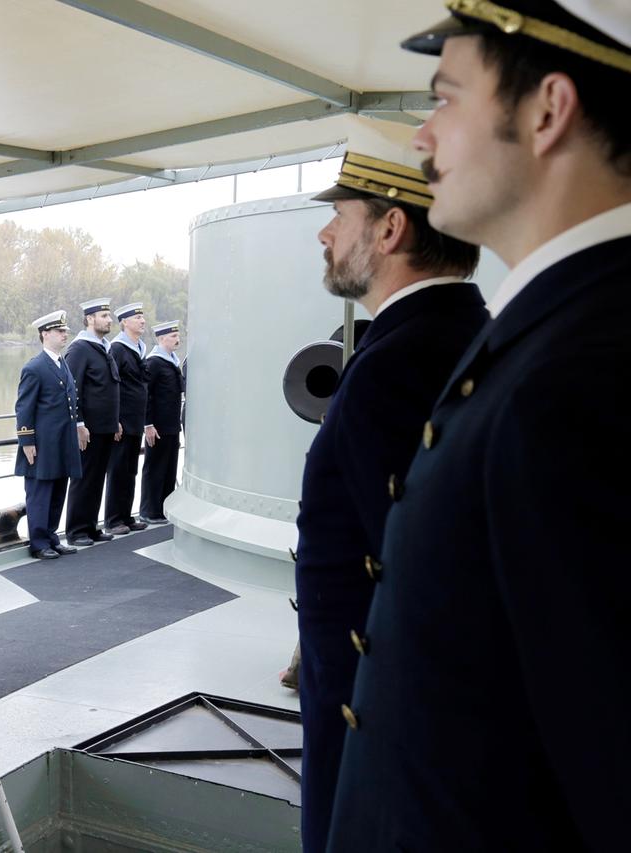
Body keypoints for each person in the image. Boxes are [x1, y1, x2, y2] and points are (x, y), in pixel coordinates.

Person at [331, 3, 631, 849]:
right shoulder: (549, 326)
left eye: (447, 98)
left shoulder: (589, 368)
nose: (423, 138)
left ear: (547, 110)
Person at [293, 121, 485, 853]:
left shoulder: (394, 365)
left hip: (369, 717)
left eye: (340, 217)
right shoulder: (461, 332)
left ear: (390, 228)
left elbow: (411, 575)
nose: (324, 235)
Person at [14, 310, 82, 560]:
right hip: (42, 444)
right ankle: (39, 543)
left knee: (57, 492)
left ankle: (52, 537)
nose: (65, 335)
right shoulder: (34, 367)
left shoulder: (61, 363)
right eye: (59, 331)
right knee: (40, 494)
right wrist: (27, 441)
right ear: (45, 334)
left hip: (62, 442)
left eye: (65, 331)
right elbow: (24, 407)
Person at [64, 297, 121, 546]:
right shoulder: (79, 349)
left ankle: (91, 526)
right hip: (88, 429)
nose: (109, 320)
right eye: (104, 316)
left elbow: (108, 388)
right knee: (84, 479)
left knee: (97, 479)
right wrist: (78, 424)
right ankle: (76, 531)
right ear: (90, 319)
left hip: (105, 427)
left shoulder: (103, 347)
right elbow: (72, 389)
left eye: (109, 316)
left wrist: (115, 421)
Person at [103, 303, 150, 536]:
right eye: (138, 317)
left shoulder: (138, 348)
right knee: (118, 470)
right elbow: (114, 386)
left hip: (136, 421)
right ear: (125, 322)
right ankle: (112, 519)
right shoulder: (118, 349)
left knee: (130, 470)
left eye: (142, 317)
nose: (142, 321)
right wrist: (116, 420)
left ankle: (125, 516)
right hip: (122, 422)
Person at [139, 321, 185, 524]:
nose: (177, 339)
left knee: (168, 469)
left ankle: (164, 508)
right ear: (161, 339)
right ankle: (150, 511)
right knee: (155, 468)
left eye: (177, 335)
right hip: (157, 427)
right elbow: (146, 395)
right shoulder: (154, 362)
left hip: (172, 425)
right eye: (173, 336)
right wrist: (148, 424)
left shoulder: (172, 361)